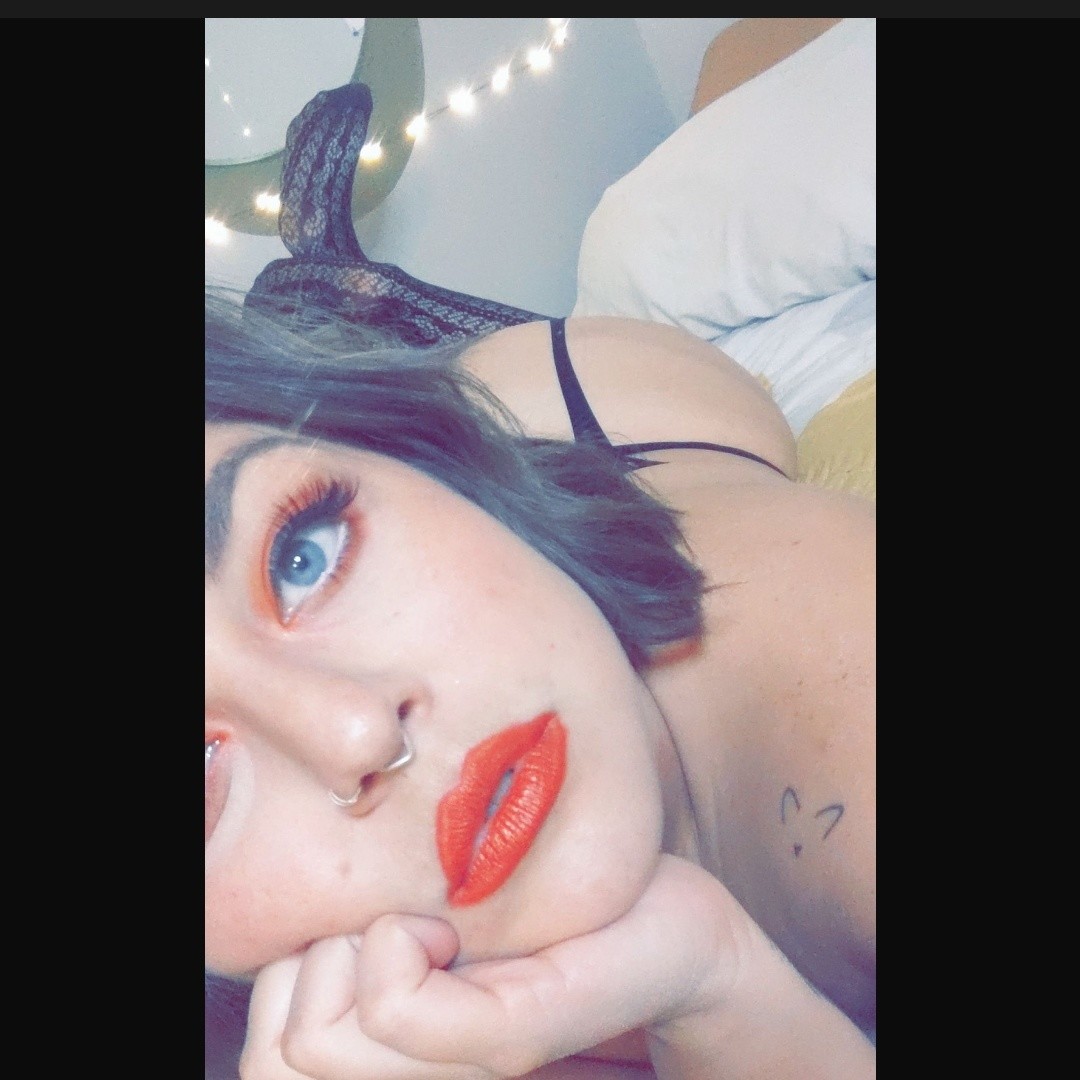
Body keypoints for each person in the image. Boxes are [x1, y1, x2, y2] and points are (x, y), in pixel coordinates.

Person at [206, 20, 874, 1079]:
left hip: (617, 404)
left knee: (643, 242)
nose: (356, 729)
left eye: (302, 552)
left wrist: (730, 1007)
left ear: (415, 464)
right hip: (542, 408)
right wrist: (710, 980)